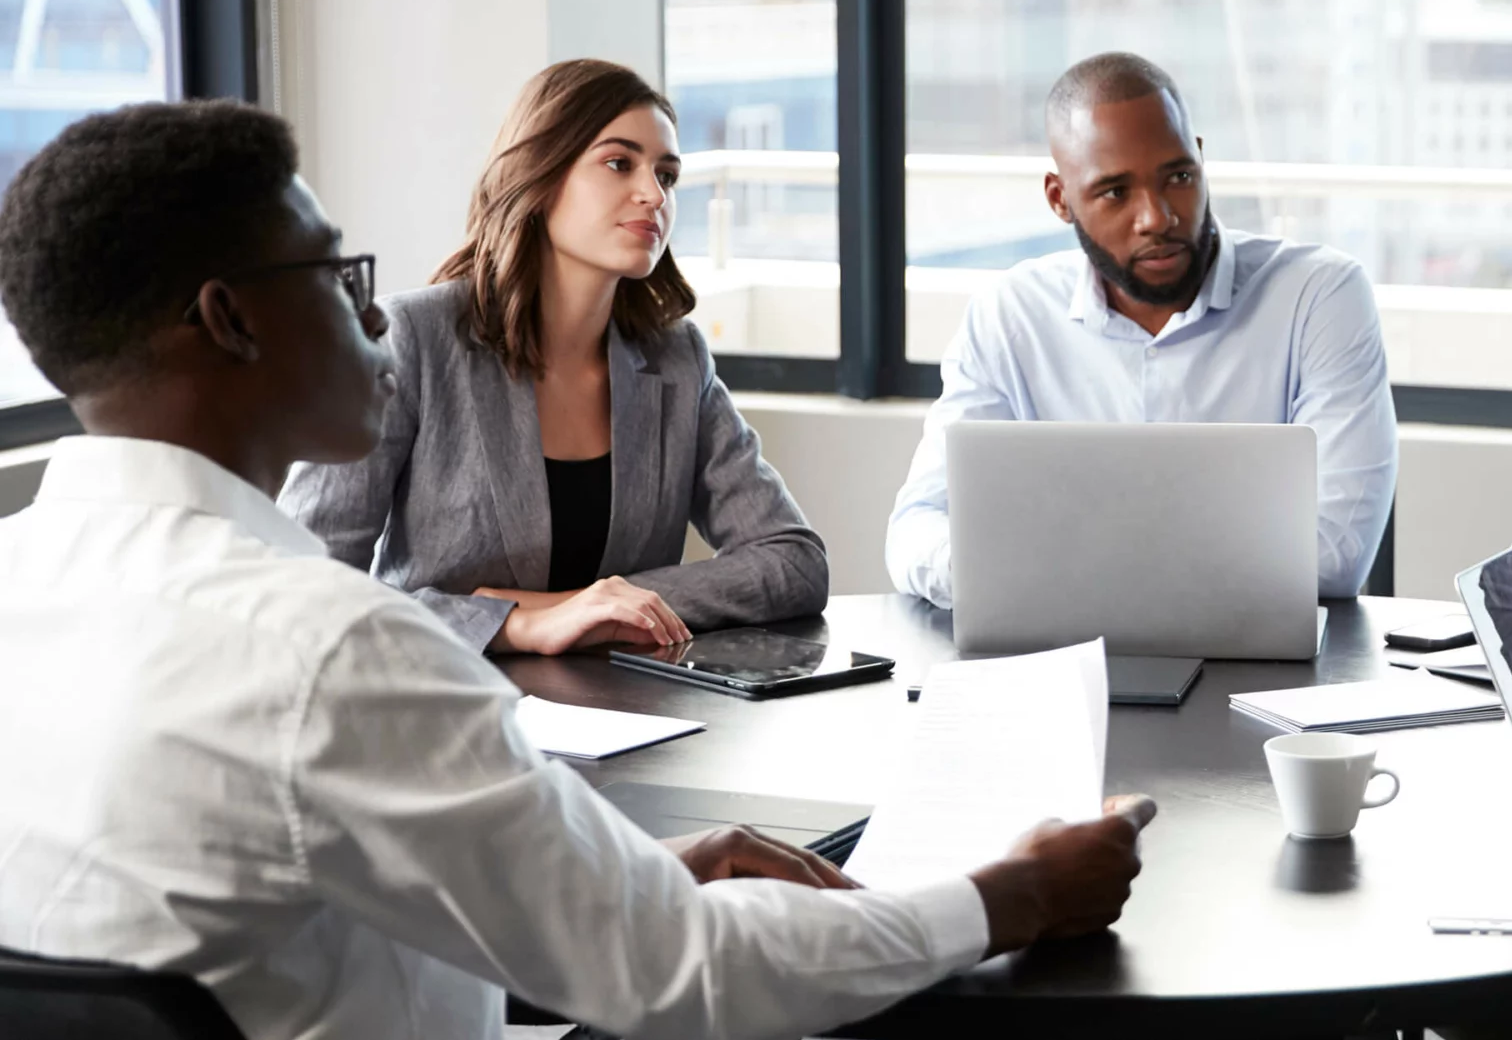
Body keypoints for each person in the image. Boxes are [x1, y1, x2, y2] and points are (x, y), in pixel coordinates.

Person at [0, 99, 1157, 1040]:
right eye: (335, 274)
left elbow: (287, 882)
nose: (369, 313)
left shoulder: (23, 577)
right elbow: (686, 976)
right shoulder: (334, 648)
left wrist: (631, 869)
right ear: (231, 320)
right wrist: (1014, 895)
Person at [280, 59, 827, 655]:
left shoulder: (677, 358)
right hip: (444, 710)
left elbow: (793, 562)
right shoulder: (412, 338)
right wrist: (516, 623)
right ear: (540, 175)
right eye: (620, 164)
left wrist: (593, 605)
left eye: (666, 175)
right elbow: (304, 589)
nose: (654, 195)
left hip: (635, 719)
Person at [886, 51, 1397, 606]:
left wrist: (1043, 570)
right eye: (1114, 192)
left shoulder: (1318, 296)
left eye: (1177, 177)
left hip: (1263, 677)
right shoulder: (1010, 315)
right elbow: (917, 528)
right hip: (1061, 664)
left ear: (1200, 160)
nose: (1157, 217)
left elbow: (1335, 555)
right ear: (1061, 199)